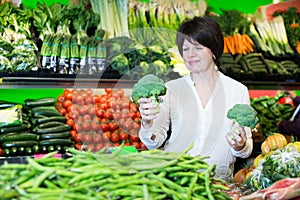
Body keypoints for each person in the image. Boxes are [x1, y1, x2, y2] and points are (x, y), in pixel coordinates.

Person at [137, 16, 253, 181]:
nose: (190, 55)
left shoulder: (237, 90)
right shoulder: (171, 89)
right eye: (185, 49)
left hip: (218, 182)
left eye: (197, 48)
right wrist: (148, 122)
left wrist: (240, 145)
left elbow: (246, 148)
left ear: (213, 50)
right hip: (176, 178)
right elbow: (154, 142)